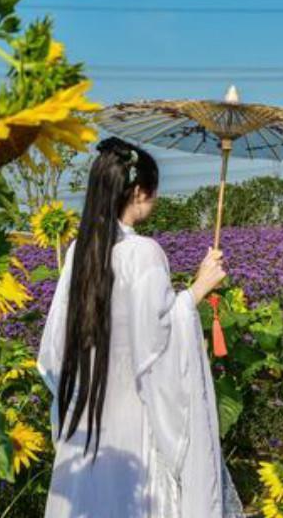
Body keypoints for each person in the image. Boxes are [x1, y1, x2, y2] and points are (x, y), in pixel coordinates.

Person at [37, 137, 243, 517]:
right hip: (136, 420)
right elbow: (156, 343)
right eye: (154, 191)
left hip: (90, 419)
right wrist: (198, 287)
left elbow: (54, 349)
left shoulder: (80, 252)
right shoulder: (143, 253)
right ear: (139, 192)